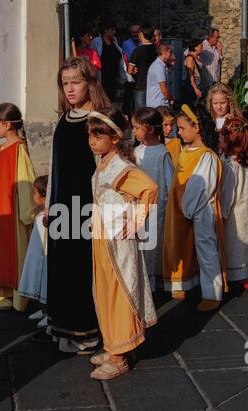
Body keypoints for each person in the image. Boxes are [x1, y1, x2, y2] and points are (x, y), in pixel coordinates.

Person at [44, 57, 111, 352]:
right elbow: (54, 163)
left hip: (86, 207)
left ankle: (86, 331)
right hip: (61, 205)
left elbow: (107, 167)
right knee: (61, 267)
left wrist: (102, 209)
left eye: (76, 82)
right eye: (65, 83)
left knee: (83, 269)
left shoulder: (98, 120)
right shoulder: (63, 118)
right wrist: (49, 202)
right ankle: (62, 327)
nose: (69, 89)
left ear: (89, 82)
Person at [87, 107, 158, 380]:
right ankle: (114, 344)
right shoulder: (104, 161)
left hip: (117, 240)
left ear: (115, 138)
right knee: (103, 292)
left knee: (118, 292)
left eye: (98, 135)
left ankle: (119, 357)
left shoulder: (121, 167)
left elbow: (150, 189)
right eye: (90, 134)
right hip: (102, 237)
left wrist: (137, 221)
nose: (92, 140)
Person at [163, 103, 228, 312]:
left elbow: (201, 186)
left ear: (197, 128)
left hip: (201, 211)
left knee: (205, 248)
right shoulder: (186, 151)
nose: (178, 132)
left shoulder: (206, 155)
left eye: (182, 128)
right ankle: (187, 282)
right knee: (185, 246)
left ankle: (212, 292)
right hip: (184, 209)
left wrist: (187, 208)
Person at [0, 103, 36, 312]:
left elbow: (26, 180)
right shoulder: (1, 148)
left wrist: (27, 212)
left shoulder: (19, 149)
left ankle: (20, 296)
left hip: (13, 209)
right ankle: (3, 293)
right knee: (0, 251)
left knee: (16, 250)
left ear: (8, 125)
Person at [132, 107, 174, 292]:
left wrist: (164, 206)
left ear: (148, 128)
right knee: (141, 245)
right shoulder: (135, 151)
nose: (133, 131)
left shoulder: (161, 153)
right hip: (138, 207)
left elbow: (170, 183)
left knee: (153, 246)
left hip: (157, 209)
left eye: (136, 127)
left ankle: (154, 283)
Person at [219, 117, 248, 284]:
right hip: (242, 213)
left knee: (233, 246)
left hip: (233, 217)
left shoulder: (232, 165)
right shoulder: (242, 161)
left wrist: (220, 216)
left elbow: (227, 194)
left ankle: (236, 278)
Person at [19, 176, 49, 327]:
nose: (32, 196)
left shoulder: (46, 218)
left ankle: (49, 313)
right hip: (37, 257)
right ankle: (44, 311)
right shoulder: (40, 216)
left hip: (45, 259)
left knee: (45, 284)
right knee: (37, 281)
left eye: (34, 193)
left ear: (43, 197)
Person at [91, 19, 128, 102]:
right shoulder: (96, 42)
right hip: (102, 78)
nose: (114, 32)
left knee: (111, 101)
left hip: (113, 79)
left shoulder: (114, 42)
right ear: (105, 30)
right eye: (112, 30)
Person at [128, 25, 157, 109]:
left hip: (141, 85)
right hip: (154, 85)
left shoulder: (138, 51)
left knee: (141, 114)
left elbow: (130, 70)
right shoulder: (156, 49)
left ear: (141, 34)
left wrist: (135, 70)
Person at [146, 44, 174, 108]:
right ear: (165, 52)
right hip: (158, 105)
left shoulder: (161, 65)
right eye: (170, 52)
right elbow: (164, 90)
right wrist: (171, 98)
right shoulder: (159, 66)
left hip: (158, 103)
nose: (171, 55)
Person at [201, 28, 223, 94]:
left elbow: (219, 61)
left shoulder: (214, 47)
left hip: (215, 78)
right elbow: (188, 53)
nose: (218, 39)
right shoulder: (202, 45)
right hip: (206, 80)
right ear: (210, 37)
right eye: (217, 37)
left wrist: (220, 50)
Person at [182, 39, 203, 106]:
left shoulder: (196, 56)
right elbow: (190, 75)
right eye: (201, 46)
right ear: (195, 47)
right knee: (193, 104)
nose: (202, 47)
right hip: (192, 85)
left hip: (197, 83)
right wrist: (195, 88)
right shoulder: (190, 58)